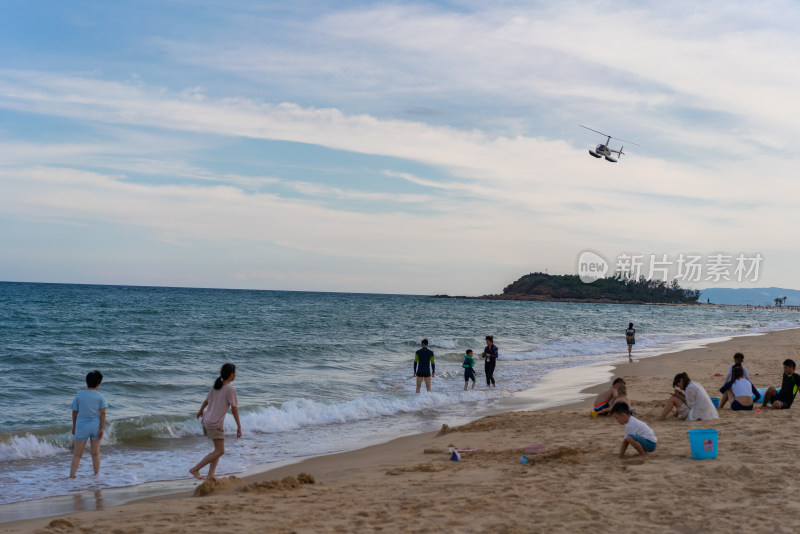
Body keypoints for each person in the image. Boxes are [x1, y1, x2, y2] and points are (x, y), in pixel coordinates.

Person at [190, 363, 242, 480]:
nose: (236, 375)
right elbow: (234, 409)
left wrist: (200, 411)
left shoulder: (216, 386)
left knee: (217, 450)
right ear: (231, 375)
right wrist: (239, 426)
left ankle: (210, 475)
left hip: (207, 421)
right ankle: (195, 469)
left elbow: (206, 401)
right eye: (235, 372)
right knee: (220, 450)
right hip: (215, 423)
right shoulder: (230, 389)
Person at [69, 370, 108, 478]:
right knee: (95, 453)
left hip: (81, 426)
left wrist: (74, 426)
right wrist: (101, 428)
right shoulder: (101, 396)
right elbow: (103, 413)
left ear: (86, 382)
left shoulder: (80, 394)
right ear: (98, 383)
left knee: (77, 454)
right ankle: (96, 475)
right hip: (95, 426)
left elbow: (74, 411)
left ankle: (72, 477)